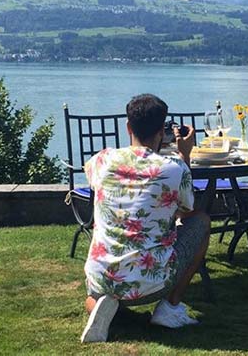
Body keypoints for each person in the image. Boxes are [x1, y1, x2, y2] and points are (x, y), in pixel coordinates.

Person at [80, 94, 211, 343]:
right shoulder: (174, 168)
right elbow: (187, 211)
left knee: (97, 289)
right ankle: (170, 308)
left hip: (101, 275)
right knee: (202, 222)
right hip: (152, 282)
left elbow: (93, 180)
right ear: (162, 130)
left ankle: (101, 307)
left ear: (128, 127)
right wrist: (185, 156)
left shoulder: (102, 160)